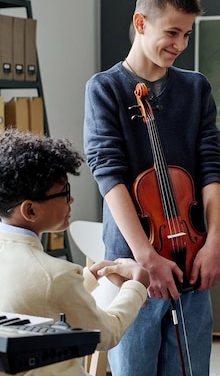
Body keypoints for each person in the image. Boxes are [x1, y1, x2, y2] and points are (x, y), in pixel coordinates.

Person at [83, 0, 220, 376]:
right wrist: (147, 258)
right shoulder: (105, 89)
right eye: (172, 32)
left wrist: (215, 240)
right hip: (133, 265)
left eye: (187, 35)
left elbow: (211, 167)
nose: (179, 45)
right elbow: (109, 175)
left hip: (194, 254)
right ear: (141, 23)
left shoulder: (196, 89)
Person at [0, 129, 150, 376]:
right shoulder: (55, 275)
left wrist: (88, 277)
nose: (71, 201)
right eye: (65, 193)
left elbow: (40, 301)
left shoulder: (48, 274)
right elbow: (106, 333)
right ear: (30, 211)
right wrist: (136, 286)